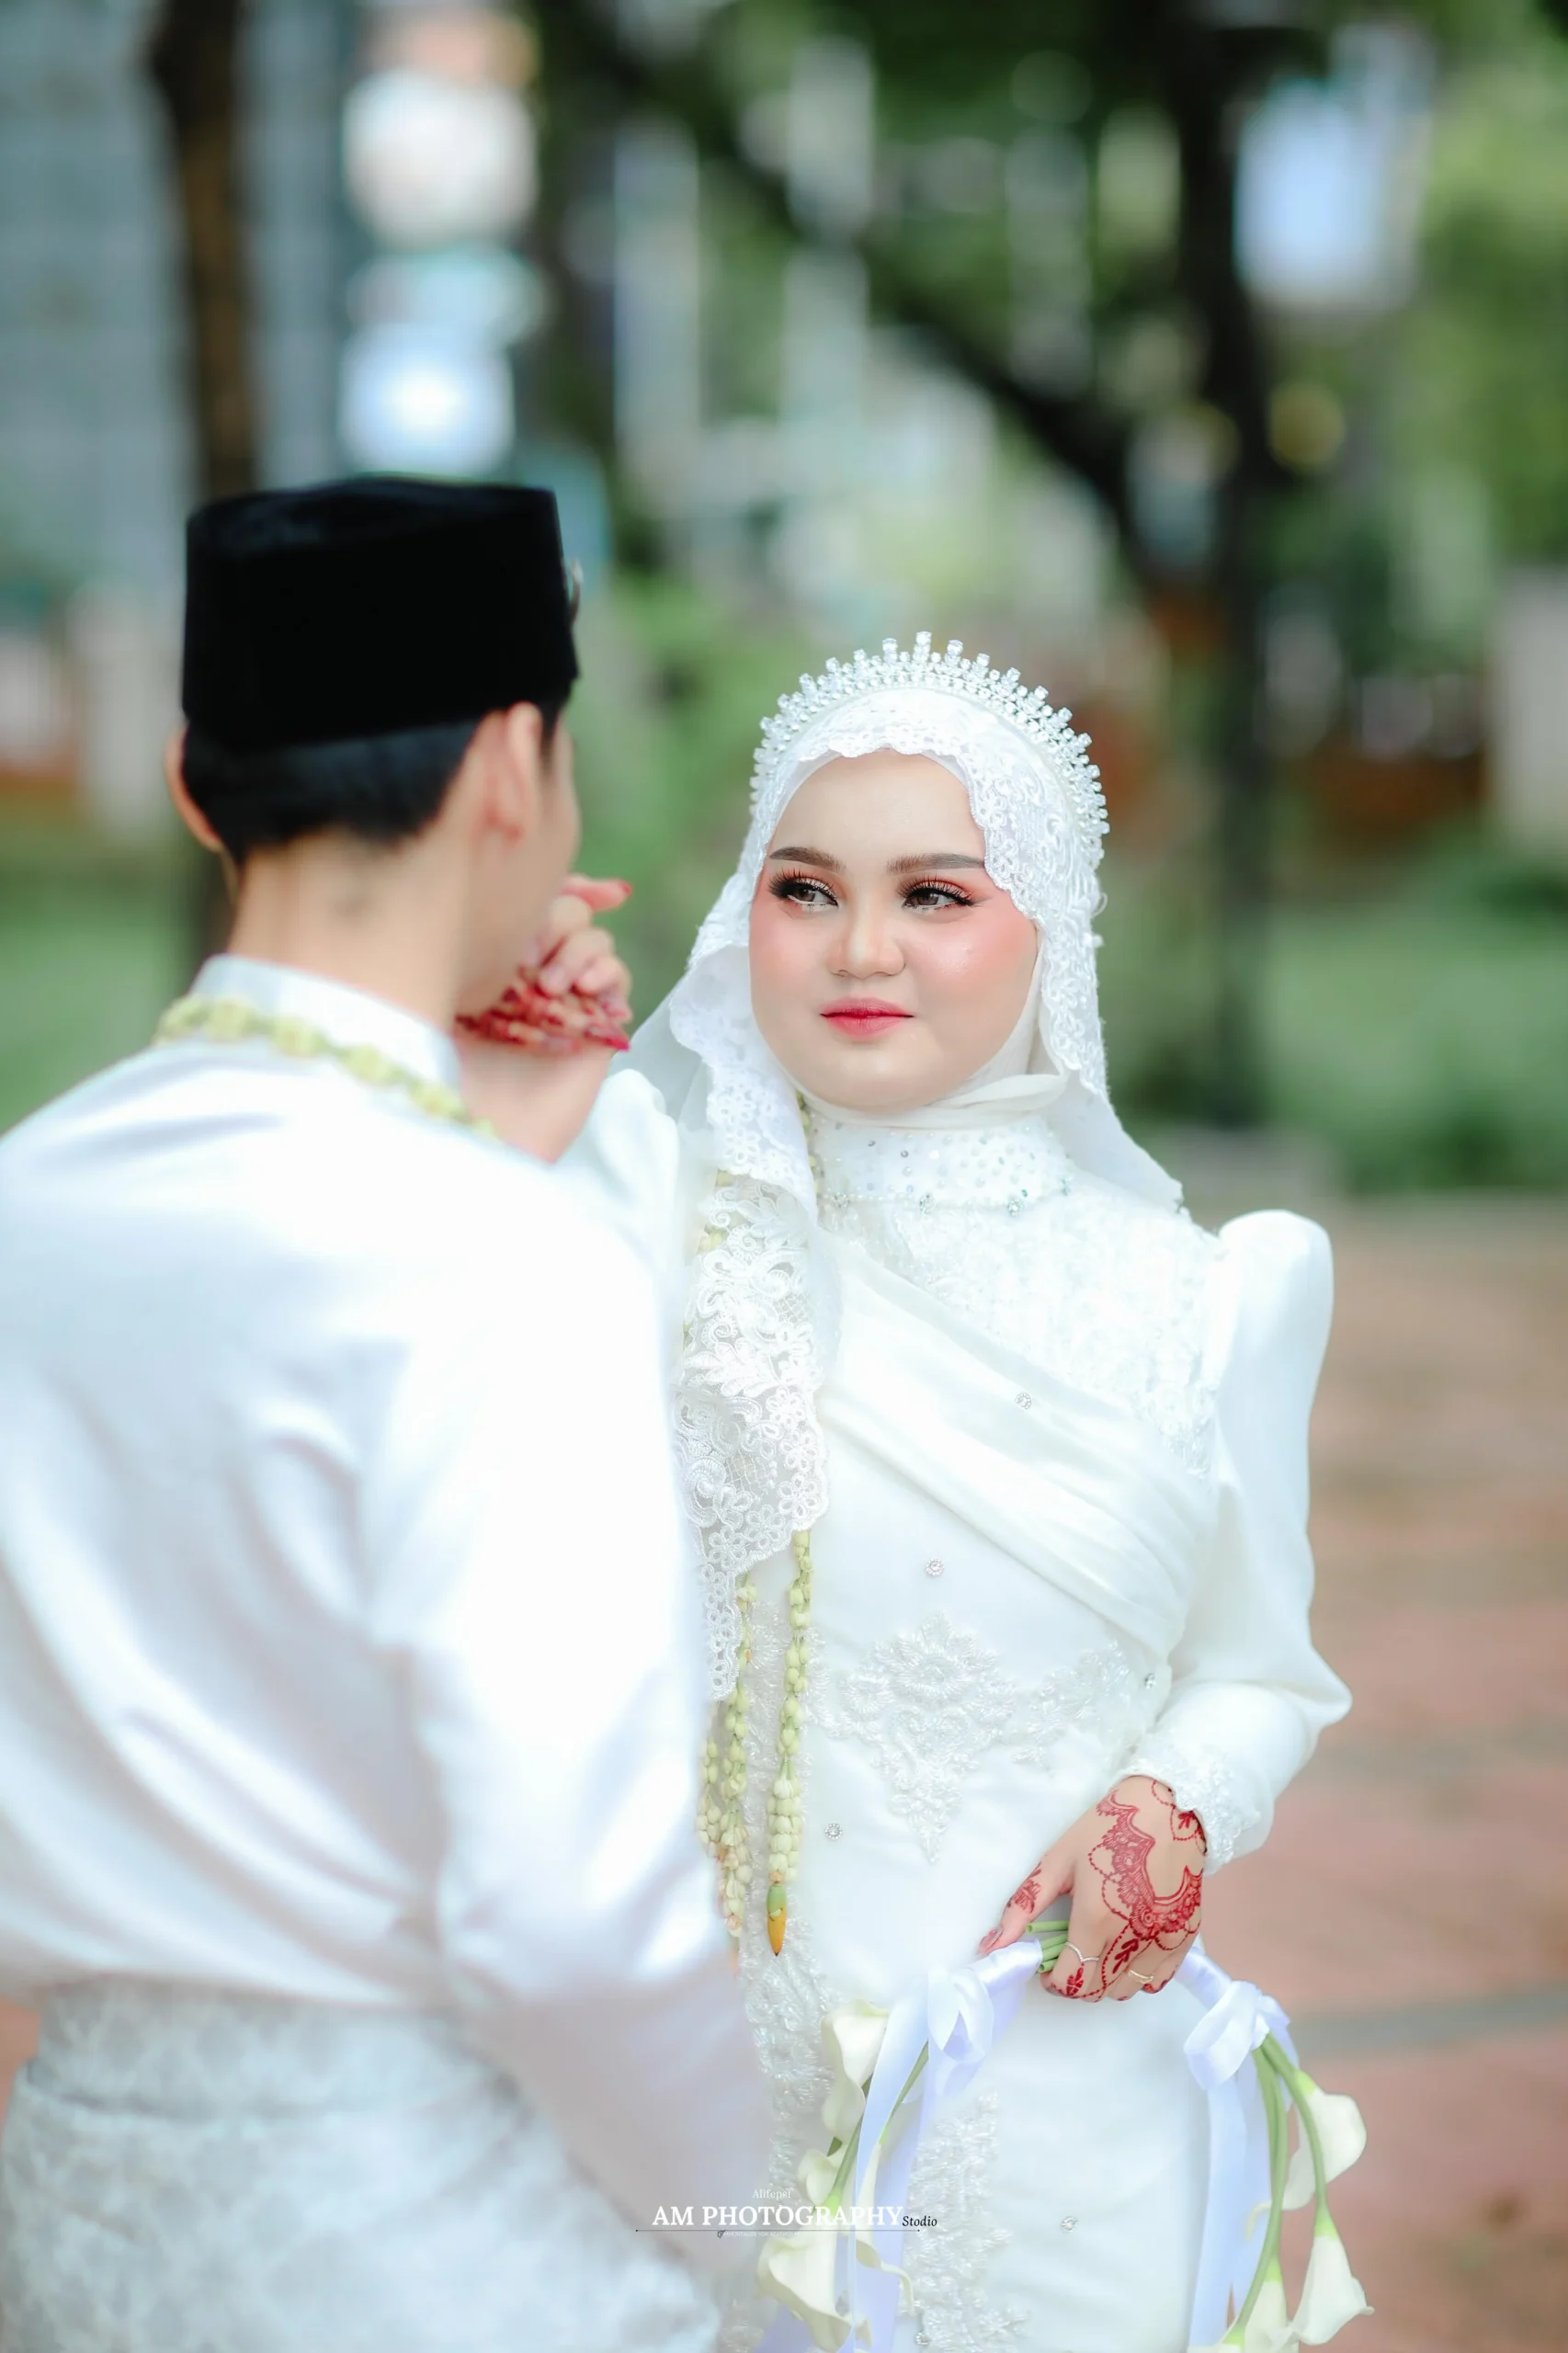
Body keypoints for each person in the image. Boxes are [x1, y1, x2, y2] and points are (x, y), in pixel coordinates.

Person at [0, 477, 768, 2353]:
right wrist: (741, 2217)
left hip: (76, 2219)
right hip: (435, 2238)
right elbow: (575, 1925)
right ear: (513, 764)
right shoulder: (502, 1263)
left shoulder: (27, 1200)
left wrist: (483, 1135)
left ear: (195, 784)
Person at [556, 634, 1352, 2353]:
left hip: (1066, 2105)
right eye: (805, 890)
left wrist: (1178, 1804)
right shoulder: (653, 1219)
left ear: (1048, 925)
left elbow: (1258, 1672)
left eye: (933, 893)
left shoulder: (1212, 1296)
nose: (860, 949)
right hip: (709, 2115)